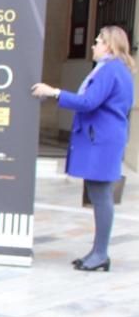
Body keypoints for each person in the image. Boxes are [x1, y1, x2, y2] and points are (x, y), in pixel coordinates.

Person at [32, 25, 135, 272]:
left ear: (109, 45)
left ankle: (100, 253)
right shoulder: (114, 70)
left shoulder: (109, 70)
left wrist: (54, 92)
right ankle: (97, 252)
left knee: (101, 196)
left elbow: (89, 102)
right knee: (99, 195)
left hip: (102, 141)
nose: (93, 45)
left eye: (98, 41)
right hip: (103, 139)